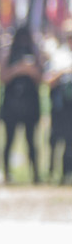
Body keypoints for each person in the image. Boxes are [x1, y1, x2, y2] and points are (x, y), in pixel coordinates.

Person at [0, 23, 44, 183]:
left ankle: (36, 174)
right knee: (8, 140)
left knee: (32, 141)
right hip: (11, 105)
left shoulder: (35, 52)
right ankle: (6, 174)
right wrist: (17, 69)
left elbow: (41, 78)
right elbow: (2, 77)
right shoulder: (9, 53)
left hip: (30, 104)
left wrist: (30, 69)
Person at [46, 21, 72, 184]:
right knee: (56, 138)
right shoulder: (59, 54)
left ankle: (67, 172)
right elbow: (48, 79)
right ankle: (51, 172)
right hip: (60, 104)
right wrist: (64, 72)